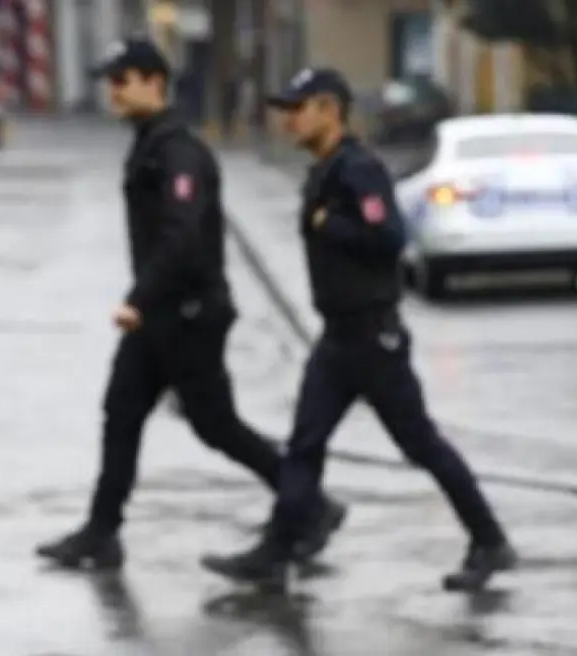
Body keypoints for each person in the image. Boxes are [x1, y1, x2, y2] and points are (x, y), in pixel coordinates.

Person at [200, 67, 516, 591]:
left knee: (420, 444)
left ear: (330, 109)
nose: (290, 120)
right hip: (339, 339)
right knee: (305, 443)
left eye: (299, 109)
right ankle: (278, 549)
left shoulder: (358, 170)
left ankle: (489, 539)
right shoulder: (325, 170)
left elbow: (389, 236)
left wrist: (333, 225)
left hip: (373, 339)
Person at [35, 39, 344, 570]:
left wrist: (138, 298)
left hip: (188, 313)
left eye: (122, 80)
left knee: (216, 425)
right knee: (122, 412)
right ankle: (101, 532)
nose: (112, 91)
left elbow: (181, 237)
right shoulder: (151, 143)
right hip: (160, 315)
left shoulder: (179, 152)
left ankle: (311, 503)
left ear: (154, 82)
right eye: (110, 81)